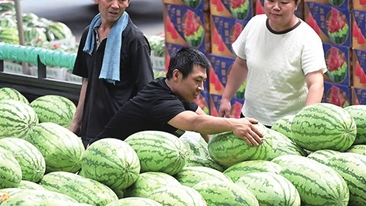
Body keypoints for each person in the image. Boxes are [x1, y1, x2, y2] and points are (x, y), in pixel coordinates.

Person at [94, 47, 264, 145]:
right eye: (197, 80)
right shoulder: (158, 98)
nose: (201, 88)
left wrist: (217, 156)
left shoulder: (179, 93)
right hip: (106, 156)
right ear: (176, 75)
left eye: (203, 81)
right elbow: (194, 123)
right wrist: (234, 124)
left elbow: (203, 122)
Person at [218, 0, 326, 126]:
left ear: (296, 4)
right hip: (250, 120)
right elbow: (241, 64)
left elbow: (316, 83)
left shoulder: (308, 38)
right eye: (271, 0)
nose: (276, 7)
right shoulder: (254, 24)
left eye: (284, 2)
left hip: (288, 125)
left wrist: (306, 121)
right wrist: (226, 98)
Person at [69, 0, 154, 145]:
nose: (115, 5)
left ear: (129, 0)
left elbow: (146, 92)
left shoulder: (135, 40)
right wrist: (77, 123)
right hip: (90, 129)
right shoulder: (89, 34)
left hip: (120, 135)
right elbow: (87, 80)